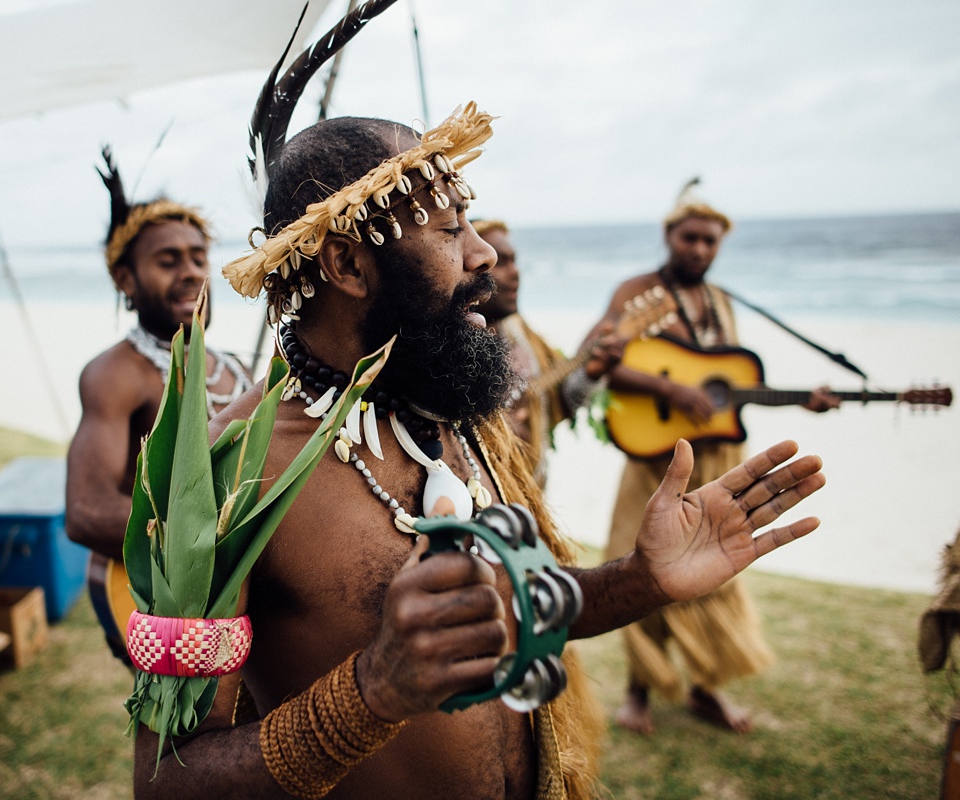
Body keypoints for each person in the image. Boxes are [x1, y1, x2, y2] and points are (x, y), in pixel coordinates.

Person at [128, 24, 828, 793]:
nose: (484, 255)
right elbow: (165, 783)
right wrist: (368, 694)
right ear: (349, 263)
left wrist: (643, 578)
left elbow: (523, 611)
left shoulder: (449, 415)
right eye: (447, 228)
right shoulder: (230, 485)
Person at [590, 180, 840, 736]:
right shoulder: (637, 291)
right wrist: (674, 393)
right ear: (669, 235)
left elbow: (730, 383)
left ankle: (707, 688)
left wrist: (807, 400)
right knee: (642, 562)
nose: (700, 250)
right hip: (658, 460)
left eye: (710, 241)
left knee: (719, 566)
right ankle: (639, 692)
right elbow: (598, 359)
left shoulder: (722, 301)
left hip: (722, 457)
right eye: (690, 238)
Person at [65, 150, 252, 661]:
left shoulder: (235, 366)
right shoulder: (117, 374)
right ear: (126, 280)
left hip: (232, 586)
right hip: (150, 590)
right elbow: (85, 512)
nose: (191, 272)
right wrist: (211, 540)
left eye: (197, 257)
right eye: (167, 261)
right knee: (184, 734)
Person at [469, 219, 622, 485]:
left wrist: (592, 374)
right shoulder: (447, 345)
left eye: (515, 261)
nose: (515, 272)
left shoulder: (521, 332)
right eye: (501, 263)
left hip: (530, 492)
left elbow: (560, 400)